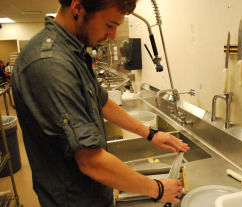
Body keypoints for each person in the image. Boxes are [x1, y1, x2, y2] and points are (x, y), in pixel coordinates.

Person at [11, 0, 190, 206]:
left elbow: (101, 101)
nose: (112, 36)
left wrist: (150, 133)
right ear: (78, 8)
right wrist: (156, 189)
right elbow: (91, 162)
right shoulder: (50, 64)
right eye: (109, 25)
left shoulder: (72, 52)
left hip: (95, 193)